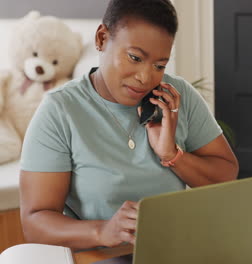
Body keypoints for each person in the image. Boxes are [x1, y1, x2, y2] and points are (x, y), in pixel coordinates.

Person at [19, 0, 238, 250]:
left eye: (159, 65)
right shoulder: (60, 111)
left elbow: (226, 174)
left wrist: (172, 155)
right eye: (135, 58)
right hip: (102, 257)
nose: (146, 77)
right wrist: (103, 231)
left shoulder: (177, 96)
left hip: (175, 250)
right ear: (102, 38)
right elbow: (34, 222)